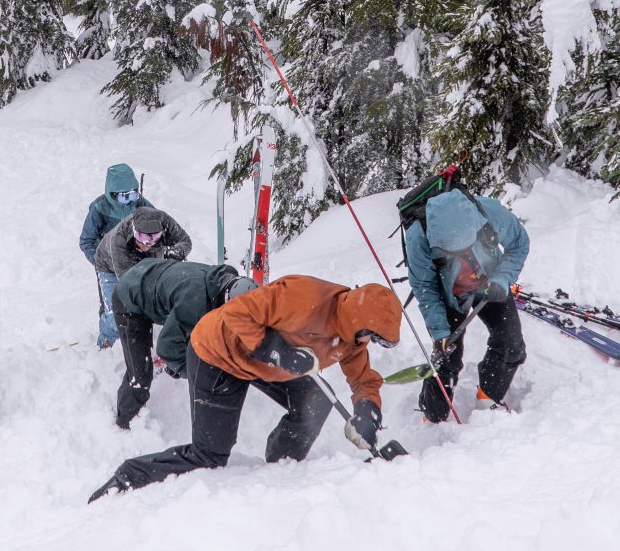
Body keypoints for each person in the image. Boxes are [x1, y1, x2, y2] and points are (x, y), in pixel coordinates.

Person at [88, 276, 402, 502]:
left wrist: (367, 409)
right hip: (219, 354)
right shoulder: (302, 296)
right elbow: (238, 312)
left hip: (270, 364)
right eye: (371, 335)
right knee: (209, 454)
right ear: (358, 321)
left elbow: (364, 380)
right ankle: (131, 474)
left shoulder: (351, 341)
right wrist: (276, 349)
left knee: (316, 399)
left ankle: (282, 466)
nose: (368, 343)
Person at [404, 188, 530, 423]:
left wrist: (502, 279)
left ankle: (488, 399)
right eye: (452, 253)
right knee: (447, 357)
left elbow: (519, 243)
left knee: (510, 343)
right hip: (448, 295)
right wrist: (440, 331)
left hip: (489, 283)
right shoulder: (418, 236)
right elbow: (425, 288)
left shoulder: (489, 212)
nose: (461, 256)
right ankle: (432, 416)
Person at [112, 258, 258, 429]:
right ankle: (125, 422)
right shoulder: (195, 302)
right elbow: (167, 348)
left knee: (187, 336)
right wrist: (188, 370)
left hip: (152, 273)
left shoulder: (226, 280)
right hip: (129, 297)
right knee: (140, 375)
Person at [93, 207, 192, 348]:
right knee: (119, 311)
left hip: (150, 261)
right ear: (134, 231)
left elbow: (185, 241)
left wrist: (174, 254)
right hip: (109, 266)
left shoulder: (165, 222)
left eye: (153, 238)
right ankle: (105, 342)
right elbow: (128, 284)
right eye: (143, 238)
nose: (148, 243)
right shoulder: (119, 241)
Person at [79, 164, 154, 349]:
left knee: (140, 306)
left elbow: (157, 227)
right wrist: (100, 262)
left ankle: (138, 342)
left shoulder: (141, 204)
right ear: (112, 194)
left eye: (133, 194)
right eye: (123, 196)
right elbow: (86, 240)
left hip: (136, 265)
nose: (129, 200)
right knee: (113, 309)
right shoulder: (99, 209)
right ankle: (106, 343)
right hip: (109, 267)